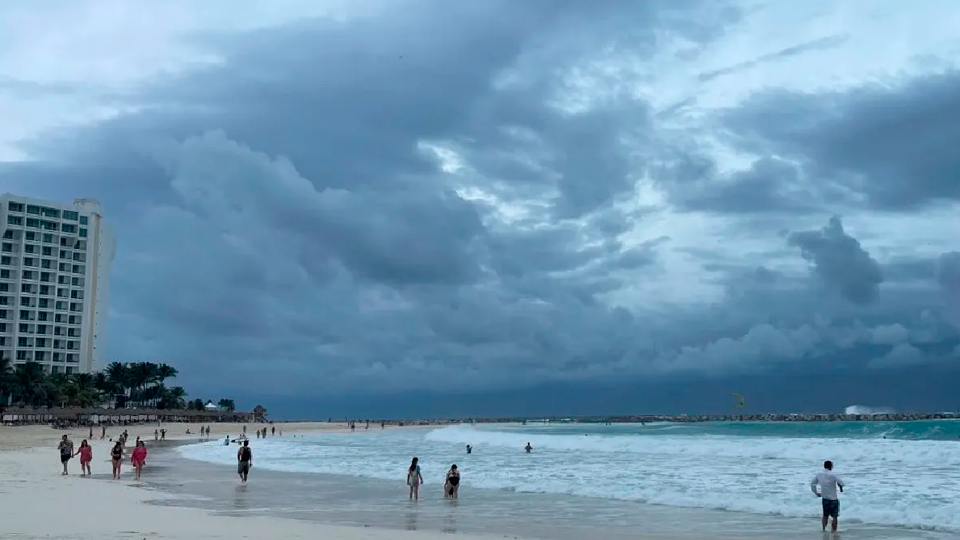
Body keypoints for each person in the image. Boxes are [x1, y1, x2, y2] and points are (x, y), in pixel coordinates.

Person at [811, 460, 845, 532]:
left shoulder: (819, 474)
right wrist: (839, 485)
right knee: (835, 516)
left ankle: (824, 529)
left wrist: (816, 493)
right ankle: (834, 531)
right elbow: (842, 483)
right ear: (831, 466)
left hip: (825, 498)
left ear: (824, 466)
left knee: (825, 515)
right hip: (833, 498)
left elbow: (812, 484)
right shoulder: (833, 474)